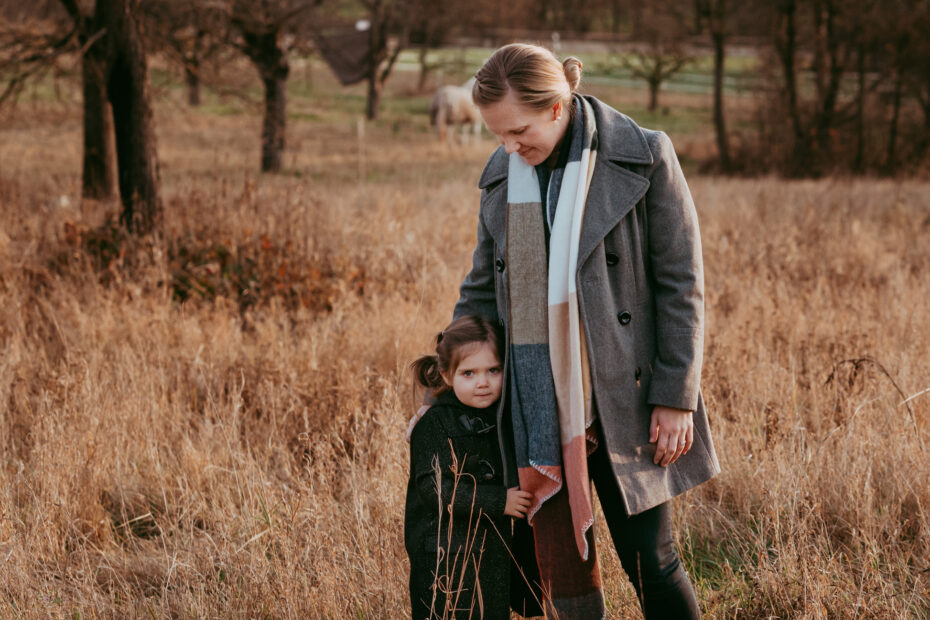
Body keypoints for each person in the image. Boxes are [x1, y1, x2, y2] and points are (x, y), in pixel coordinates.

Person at [444, 43, 721, 618]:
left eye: (518, 131)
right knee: (552, 569)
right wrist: (452, 367)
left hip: (626, 398)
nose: (509, 147)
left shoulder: (644, 155)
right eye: (498, 135)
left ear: (556, 107)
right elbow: (481, 285)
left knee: (653, 561)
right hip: (534, 406)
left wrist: (676, 398)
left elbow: (681, 287)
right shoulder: (503, 173)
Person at [404, 315, 543, 620]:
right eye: (469, 373)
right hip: (444, 556)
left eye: (493, 370)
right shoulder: (434, 424)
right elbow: (433, 489)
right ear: (446, 375)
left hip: (490, 552)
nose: (483, 382)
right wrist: (499, 501)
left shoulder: (504, 416)